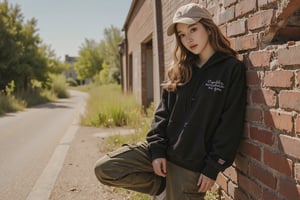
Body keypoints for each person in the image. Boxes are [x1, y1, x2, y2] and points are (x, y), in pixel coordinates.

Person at [94, 3, 246, 200]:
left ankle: (170, 189)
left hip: (190, 165)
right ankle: (161, 187)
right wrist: (157, 150)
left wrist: (213, 167)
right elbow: (162, 113)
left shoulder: (231, 69)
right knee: (105, 168)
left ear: (208, 28)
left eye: (193, 29)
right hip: (163, 153)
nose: (188, 38)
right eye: (182, 34)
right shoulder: (180, 69)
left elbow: (230, 124)